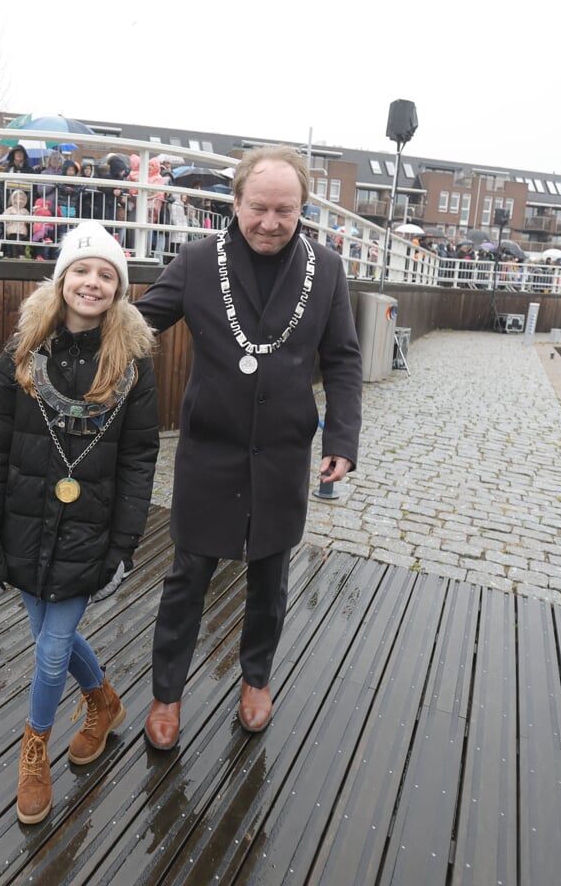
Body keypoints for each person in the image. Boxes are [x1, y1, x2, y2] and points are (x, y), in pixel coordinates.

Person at [134, 145, 362, 749]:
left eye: (284, 210)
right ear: (235, 203)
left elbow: (342, 358)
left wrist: (342, 437)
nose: (269, 222)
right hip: (210, 448)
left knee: (271, 575)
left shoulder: (329, 269)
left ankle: (256, 678)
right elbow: (137, 327)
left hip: (285, 450)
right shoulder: (195, 260)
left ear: (302, 208)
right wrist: (70, 322)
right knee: (187, 577)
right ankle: (166, 693)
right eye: (258, 207)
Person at [0, 220, 159, 824]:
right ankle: (102, 701)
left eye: (107, 274)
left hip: (89, 529)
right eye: (81, 269)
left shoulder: (134, 366)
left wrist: (125, 544)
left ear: (119, 290)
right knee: (48, 636)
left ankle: (34, 751)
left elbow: (138, 459)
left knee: (50, 653)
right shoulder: (21, 354)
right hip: (22, 522)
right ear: (60, 280)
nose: (92, 282)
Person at [3, 188, 31, 258]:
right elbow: (4, 218)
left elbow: (29, 221)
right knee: (13, 244)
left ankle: (21, 254)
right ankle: (14, 255)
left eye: (22, 199)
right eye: (18, 199)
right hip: (12, 230)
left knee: (21, 243)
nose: (20, 201)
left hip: (22, 231)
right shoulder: (10, 209)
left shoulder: (25, 211)